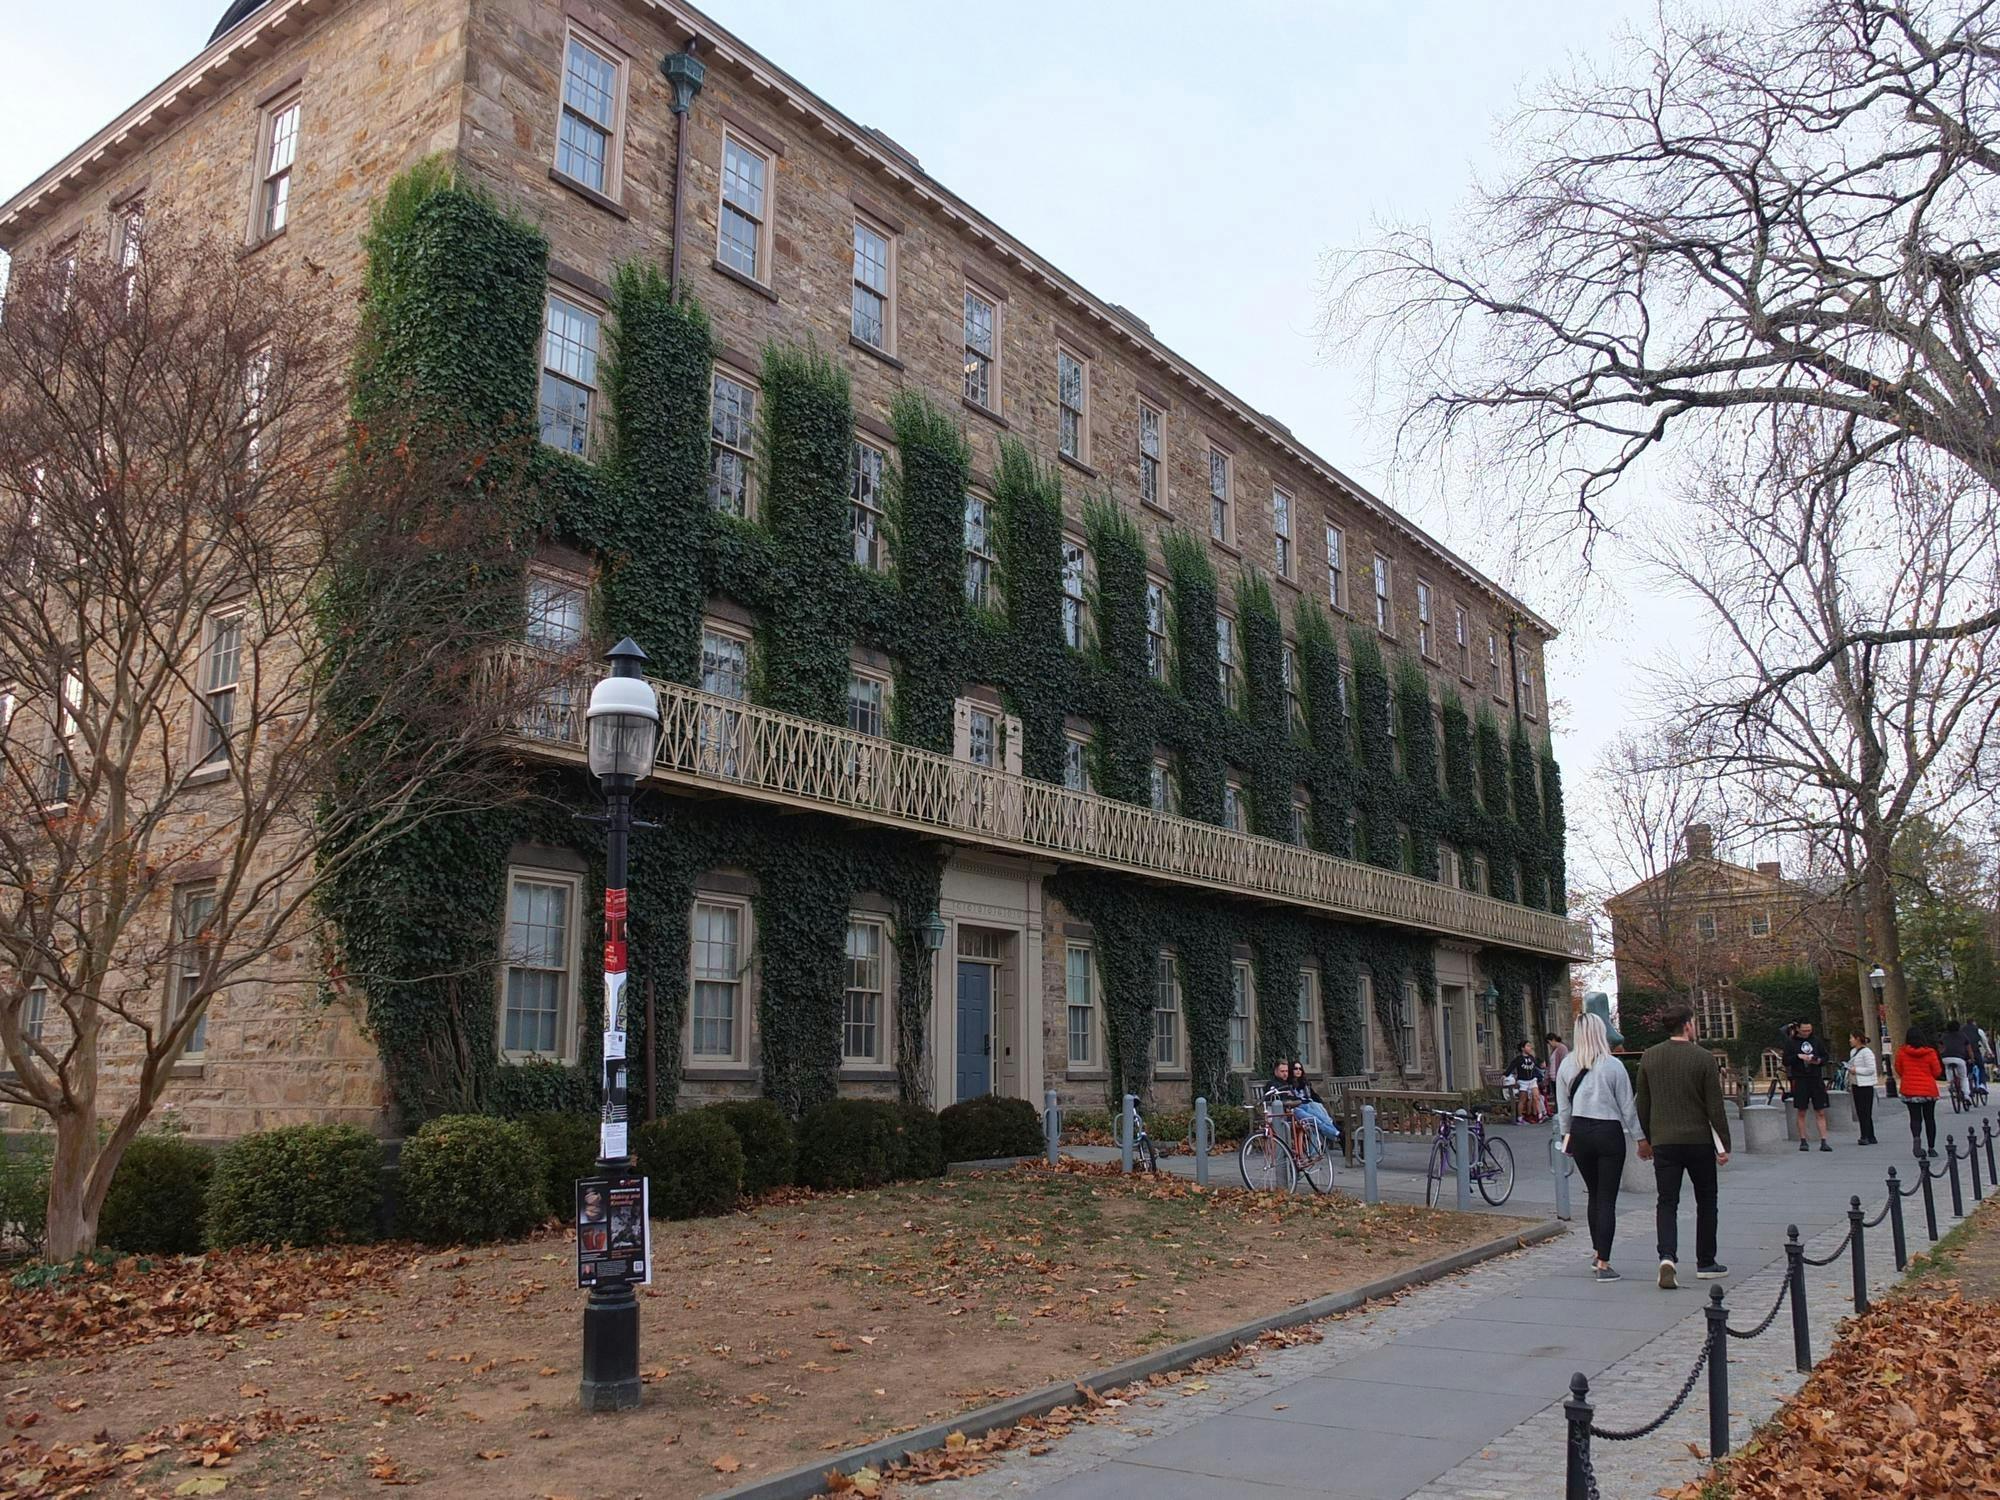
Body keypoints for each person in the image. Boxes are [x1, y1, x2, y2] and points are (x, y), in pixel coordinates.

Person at [1635, 1005, 1732, 1289]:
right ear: (1688, 1025)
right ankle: (1706, 1260)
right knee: (1707, 1200)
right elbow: (1715, 1106)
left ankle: (1667, 1256)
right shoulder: (1703, 1058)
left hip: (1665, 1141)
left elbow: (1643, 1103)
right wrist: (1723, 1145)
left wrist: (1648, 1138)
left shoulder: (1650, 1057)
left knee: (1667, 1202)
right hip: (1698, 1140)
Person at [1557, 1013, 1642, 1282]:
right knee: (1607, 1198)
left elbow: (1563, 1109)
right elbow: (1627, 1106)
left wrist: (1566, 1136)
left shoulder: (1567, 1066)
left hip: (1580, 1130)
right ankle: (1604, 1261)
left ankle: (1597, 1252)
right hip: (1608, 1130)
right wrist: (1640, 1137)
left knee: (1594, 1194)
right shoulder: (1613, 1066)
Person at [1783, 1020, 1832, 1152]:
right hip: (1800, 1079)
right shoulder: (1791, 1042)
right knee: (1801, 1110)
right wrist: (1798, 1057)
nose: (1807, 1033)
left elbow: (1825, 1056)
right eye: (1804, 1030)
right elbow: (1786, 1060)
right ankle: (1803, 1140)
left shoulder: (1816, 1041)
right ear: (1798, 1029)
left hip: (1816, 1078)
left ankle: (1824, 1140)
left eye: (1809, 1030)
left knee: (1820, 1111)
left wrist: (1819, 1060)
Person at [1895, 1026, 1943, 1157]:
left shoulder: (1902, 1052)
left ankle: (1916, 1138)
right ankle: (1931, 1147)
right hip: (1928, 1089)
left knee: (1915, 1118)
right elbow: (1937, 1071)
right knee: (1930, 1118)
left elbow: (1899, 1069)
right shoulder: (1930, 1052)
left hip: (1910, 1089)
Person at [1284, 1060, 1341, 1155]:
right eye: (1295, 1069)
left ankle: (1334, 1133)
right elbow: (1293, 1100)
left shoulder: (1305, 1083)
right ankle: (1336, 1133)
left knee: (1317, 1106)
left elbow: (1313, 1095)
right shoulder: (1288, 1084)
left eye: (1300, 1069)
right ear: (1291, 1070)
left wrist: (1320, 1102)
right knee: (1315, 1116)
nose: (1298, 1071)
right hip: (1299, 1107)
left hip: (1308, 1105)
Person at [1846, 1031, 1879, 1146]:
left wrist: (1856, 1070)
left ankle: (1866, 1135)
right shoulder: (1853, 1052)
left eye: (1851, 1038)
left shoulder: (1867, 1052)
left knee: (1865, 1111)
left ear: (1858, 1039)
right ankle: (1868, 1135)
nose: (1850, 1040)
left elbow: (1871, 1069)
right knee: (1860, 1111)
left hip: (1865, 1085)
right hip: (1856, 1083)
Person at [1506, 1041, 1545, 1122]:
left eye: (1530, 1046)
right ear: (1523, 1048)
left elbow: (1536, 1066)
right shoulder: (1519, 1059)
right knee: (1522, 1100)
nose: (1530, 1048)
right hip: (1523, 1081)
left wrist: (1542, 1068)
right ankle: (1520, 1117)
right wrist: (1505, 1075)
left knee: (1536, 1097)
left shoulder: (1531, 1058)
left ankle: (1540, 1115)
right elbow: (1511, 1067)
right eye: (1527, 1046)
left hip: (1532, 1080)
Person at [1938, 1021, 1971, 1107]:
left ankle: (1950, 1084)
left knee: (1948, 1068)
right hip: (1960, 1058)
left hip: (1946, 1058)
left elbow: (1941, 1047)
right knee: (1963, 1077)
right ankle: (1967, 1096)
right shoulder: (1962, 1035)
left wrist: (1941, 1055)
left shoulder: (1944, 1036)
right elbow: (1968, 1048)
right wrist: (1972, 1058)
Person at [1542, 1030, 1569, 1112]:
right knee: (1557, 1095)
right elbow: (1550, 1065)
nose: (1550, 1045)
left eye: (1550, 1042)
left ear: (1553, 1040)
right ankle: (1558, 1111)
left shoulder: (1562, 1048)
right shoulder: (1554, 1050)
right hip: (1553, 1077)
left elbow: (1563, 1062)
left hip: (1559, 1076)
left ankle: (1560, 1111)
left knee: (1561, 1095)